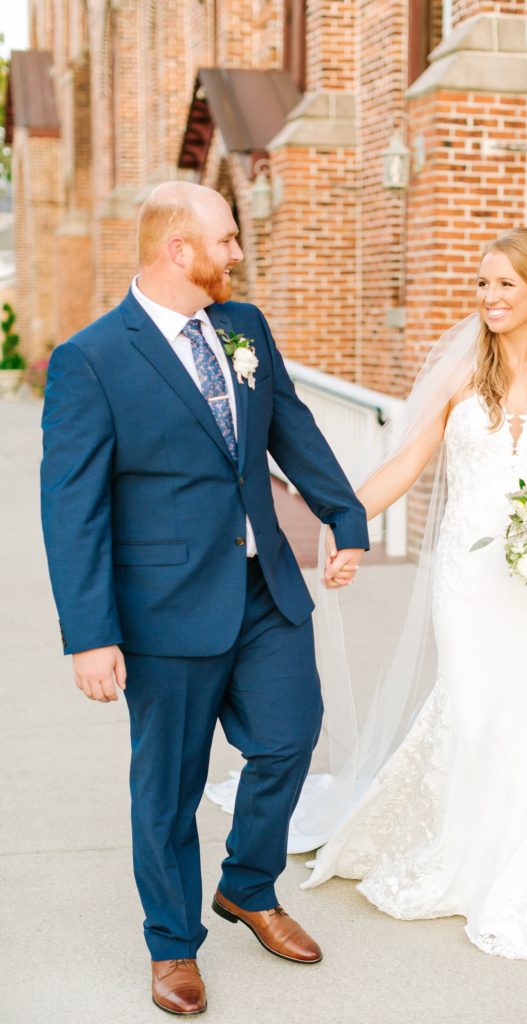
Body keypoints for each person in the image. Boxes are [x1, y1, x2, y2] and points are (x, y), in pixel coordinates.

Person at [40, 181, 368, 1016]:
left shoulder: (242, 327)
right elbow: (71, 507)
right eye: (226, 240)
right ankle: (172, 946)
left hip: (264, 587)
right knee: (169, 788)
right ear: (178, 250)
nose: (237, 254)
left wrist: (344, 514)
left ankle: (249, 886)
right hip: (162, 609)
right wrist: (88, 633)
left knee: (292, 736)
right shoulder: (93, 359)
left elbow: (289, 426)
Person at [295, 227, 527, 960]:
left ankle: (523, 875)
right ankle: (458, 863)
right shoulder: (466, 373)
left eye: (505, 285)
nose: (490, 298)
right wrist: (345, 526)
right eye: (482, 283)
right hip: (469, 583)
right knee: (469, 716)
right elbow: (405, 463)